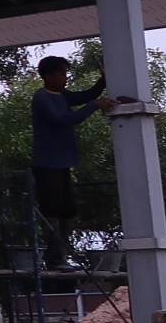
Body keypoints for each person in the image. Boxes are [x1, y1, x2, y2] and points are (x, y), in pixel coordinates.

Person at [29, 55, 118, 269]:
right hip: (47, 162)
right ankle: (54, 259)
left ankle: (61, 256)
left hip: (62, 162)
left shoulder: (61, 95)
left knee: (67, 210)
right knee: (52, 210)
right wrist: (94, 105)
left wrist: (103, 80)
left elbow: (86, 95)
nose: (65, 78)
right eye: (61, 74)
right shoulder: (42, 97)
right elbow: (64, 120)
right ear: (47, 75)